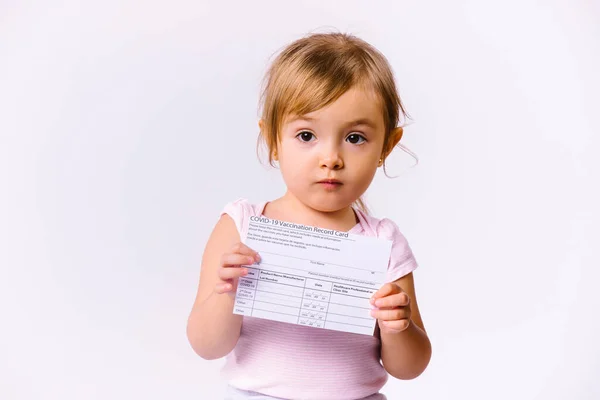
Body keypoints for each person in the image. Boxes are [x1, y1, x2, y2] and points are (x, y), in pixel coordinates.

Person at [186, 32, 432, 400]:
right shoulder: (242, 225)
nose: (330, 158)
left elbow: (410, 367)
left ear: (386, 146)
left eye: (355, 138)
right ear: (272, 139)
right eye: (306, 135)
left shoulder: (383, 242)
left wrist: (397, 326)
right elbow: (206, 345)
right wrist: (227, 293)